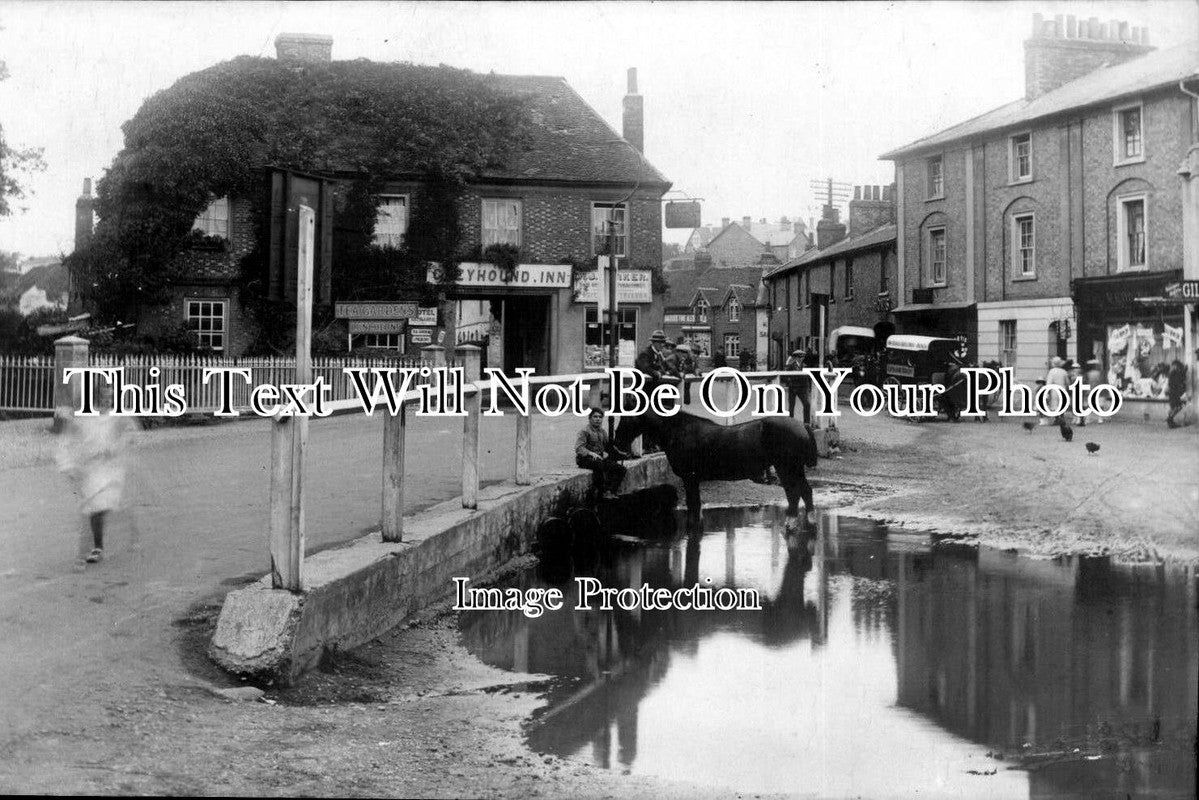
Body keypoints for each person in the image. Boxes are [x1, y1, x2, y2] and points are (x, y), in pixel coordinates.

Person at [56, 384, 130, 566]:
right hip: (91, 469)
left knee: (104, 505)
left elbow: (126, 436)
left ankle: (100, 534)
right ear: (96, 398)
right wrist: (69, 465)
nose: (107, 400)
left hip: (111, 468)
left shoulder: (117, 417)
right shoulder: (87, 418)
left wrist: (115, 448)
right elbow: (70, 438)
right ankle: (97, 547)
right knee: (95, 507)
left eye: (110, 397)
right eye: (104, 397)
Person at [575, 408, 627, 499]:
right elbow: (579, 448)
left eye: (600, 417)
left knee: (621, 469)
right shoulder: (584, 431)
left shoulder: (602, 432)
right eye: (595, 417)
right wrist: (591, 453)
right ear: (590, 418)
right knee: (599, 466)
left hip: (598, 459)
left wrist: (620, 453)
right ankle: (602, 492)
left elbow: (607, 447)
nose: (598, 419)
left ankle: (611, 491)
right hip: (585, 459)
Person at [784, 346, 814, 425]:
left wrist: (808, 387)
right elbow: (786, 375)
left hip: (803, 388)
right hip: (793, 387)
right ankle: (790, 422)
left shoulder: (805, 366)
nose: (801, 358)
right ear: (796, 357)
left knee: (807, 404)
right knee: (791, 406)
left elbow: (809, 377)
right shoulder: (790, 366)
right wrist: (789, 382)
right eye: (799, 357)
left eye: (802, 357)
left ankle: (806, 423)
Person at [1044, 356, 1069, 426]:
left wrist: (1047, 391)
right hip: (1062, 388)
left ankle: (1057, 418)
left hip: (1055, 389)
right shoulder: (1064, 371)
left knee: (1055, 404)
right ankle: (1062, 418)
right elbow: (1067, 382)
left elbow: (1049, 382)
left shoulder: (1052, 371)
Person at [1166, 360, 1189, 429]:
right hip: (1174, 392)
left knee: (1174, 407)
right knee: (1178, 406)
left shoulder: (1172, 372)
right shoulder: (1174, 372)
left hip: (1172, 392)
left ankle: (1170, 420)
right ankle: (1170, 419)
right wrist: (1184, 371)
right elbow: (1180, 380)